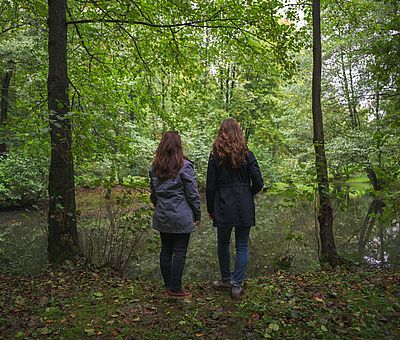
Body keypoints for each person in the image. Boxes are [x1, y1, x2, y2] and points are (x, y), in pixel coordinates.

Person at [206, 118, 264, 299]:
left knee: (223, 243)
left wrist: (210, 208)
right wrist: (248, 193)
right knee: (241, 245)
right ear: (239, 133)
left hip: (223, 204)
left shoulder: (215, 156)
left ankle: (225, 279)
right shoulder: (248, 154)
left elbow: (210, 186)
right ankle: (236, 285)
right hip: (243, 204)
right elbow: (259, 182)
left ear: (221, 134)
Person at [149, 131, 201, 299]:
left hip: (163, 215)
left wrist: (160, 208)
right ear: (179, 146)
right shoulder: (185, 166)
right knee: (179, 251)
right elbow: (192, 194)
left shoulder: (154, 168)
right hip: (181, 216)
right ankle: (176, 288)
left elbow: (153, 195)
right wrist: (197, 213)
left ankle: (168, 286)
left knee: (166, 250)